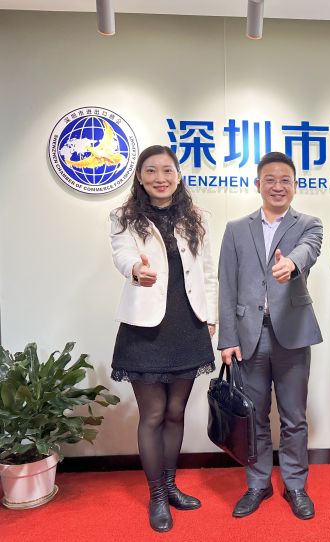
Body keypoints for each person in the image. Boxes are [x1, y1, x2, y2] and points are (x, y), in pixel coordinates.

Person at [109, 145, 218, 533]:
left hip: (188, 325)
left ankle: (171, 486)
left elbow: (207, 272)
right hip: (145, 328)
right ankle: (156, 494)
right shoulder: (124, 217)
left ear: (178, 175)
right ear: (140, 177)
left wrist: (211, 316)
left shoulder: (195, 217)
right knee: (153, 414)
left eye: (167, 170)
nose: (160, 177)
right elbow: (122, 255)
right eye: (151, 171)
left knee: (176, 412)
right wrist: (135, 271)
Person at [217, 151, 323, 520]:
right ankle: (257, 483)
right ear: (258, 184)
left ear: (295, 185)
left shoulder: (309, 224)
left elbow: (308, 252)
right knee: (254, 416)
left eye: (285, 180)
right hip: (249, 335)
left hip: (292, 333)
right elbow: (227, 285)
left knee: (294, 417)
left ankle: (295, 485)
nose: (278, 186)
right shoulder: (236, 228)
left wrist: (291, 263)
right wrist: (227, 338)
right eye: (270, 180)